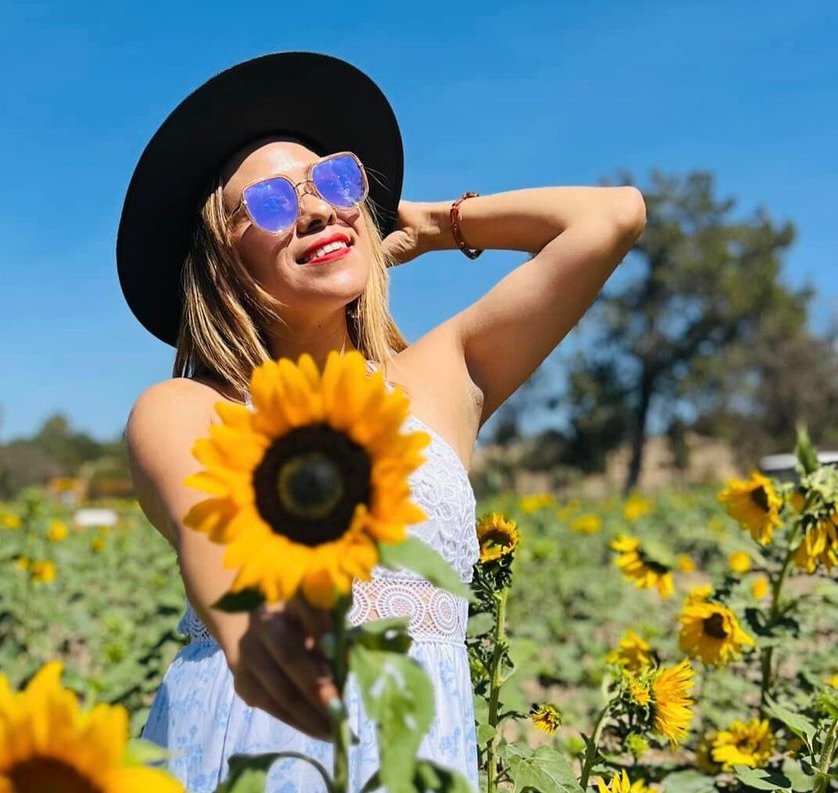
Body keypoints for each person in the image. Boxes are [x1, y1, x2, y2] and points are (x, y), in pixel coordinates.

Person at [117, 52, 645, 793]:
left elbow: (612, 215)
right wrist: (252, 624)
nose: (313, 210)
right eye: (268, 204)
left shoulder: (440, 377)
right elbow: (212, 535)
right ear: (220, 258)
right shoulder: (192, 405)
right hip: (253, 745)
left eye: (333, 182)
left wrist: (428, 221)